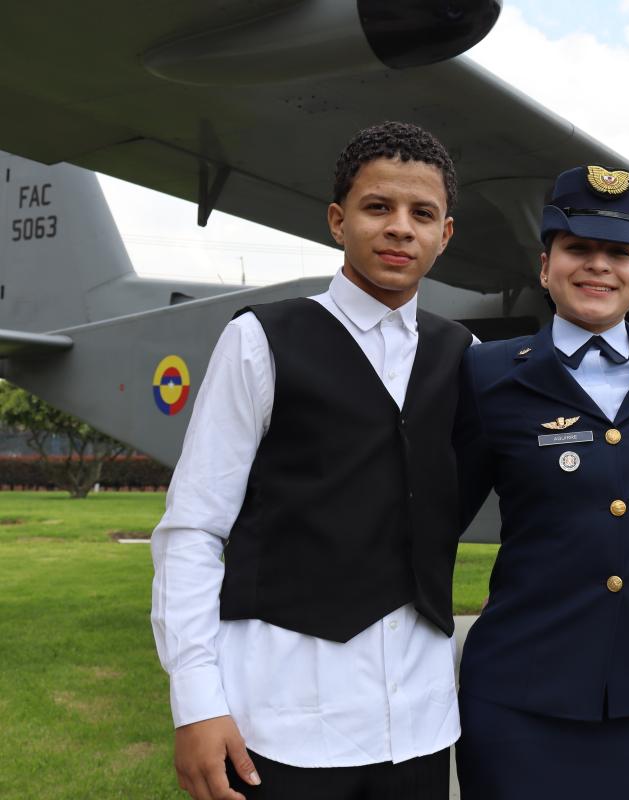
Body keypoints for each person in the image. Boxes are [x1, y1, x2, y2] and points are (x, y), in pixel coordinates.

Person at [150, 121, 473, 800]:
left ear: (445, 236)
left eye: (423, 214)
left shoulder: (462, 356)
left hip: (420, 722)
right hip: (284, 721)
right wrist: (196, 701)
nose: (400, 229)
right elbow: (193, 528)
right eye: (377, 207)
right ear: (337, 220)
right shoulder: (260, 341)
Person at [452, 165, 629, 800]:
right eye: (579, 249)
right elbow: (430, 521)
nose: (599, 266)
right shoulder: (487, 376)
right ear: (546, 266)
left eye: (620, 253)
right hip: (520, 698)